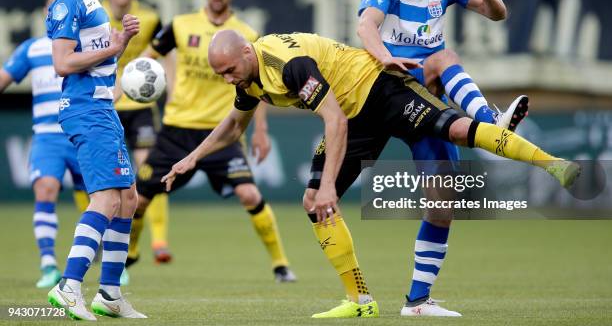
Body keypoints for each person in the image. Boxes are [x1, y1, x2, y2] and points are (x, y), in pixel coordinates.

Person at [162, 30, 579, 319]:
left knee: (457, 130)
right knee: (312, 204)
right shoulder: (248, 77)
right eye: (220, 74)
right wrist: (191, 157)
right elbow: (234, 125)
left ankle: (552, 164)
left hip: (378, 89)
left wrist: (330, 186)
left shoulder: (288, 65)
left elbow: (333, 123)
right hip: (352, 115)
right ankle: (360, 299)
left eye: (228, 70)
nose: (226, 79)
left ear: (246, 54)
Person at [356, 0, 528, 316]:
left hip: (424, 101)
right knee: (443, 56)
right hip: (386, 90)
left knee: (443, 201)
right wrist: (386, 58)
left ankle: (417, 301)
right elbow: (366, 26)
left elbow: (497, 14)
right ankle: (489, 122)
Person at [129, 0, 296, 283]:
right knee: (140, 198)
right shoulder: (181, 25)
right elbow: (147, 58)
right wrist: (142, 77)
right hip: (177, 130)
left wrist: (261, 130)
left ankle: (281, 264)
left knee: (249, 194)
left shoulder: (247, 35)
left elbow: (257, 87)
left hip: (223, 133)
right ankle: (130, 254)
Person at [45, 0, 146, 319]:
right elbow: (62, 62)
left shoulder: (87, 0)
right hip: (88, 109)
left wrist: (121, 43)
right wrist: (118, 44)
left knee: (128, 199)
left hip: (103, 106)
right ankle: (69, 285)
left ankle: (109, 294)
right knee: (105, 198)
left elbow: (95, 56)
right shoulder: (69, 1)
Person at [0, 0, 85, 289]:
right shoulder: (32, 49)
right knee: (46, 189)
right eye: (53, 8)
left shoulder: (86, 46)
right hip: (48, 137)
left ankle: (103, 262)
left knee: (102, 200)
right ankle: (48, 263)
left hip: (82, 132)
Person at [102, 0, 173, 272]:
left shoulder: (150, 17)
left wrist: (172, 93)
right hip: (107, 107)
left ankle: (159, 241)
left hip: (141, 108)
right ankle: (108, 238)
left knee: (148, 174)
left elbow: (166, 55)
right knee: (109, 181)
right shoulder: (94, 15)